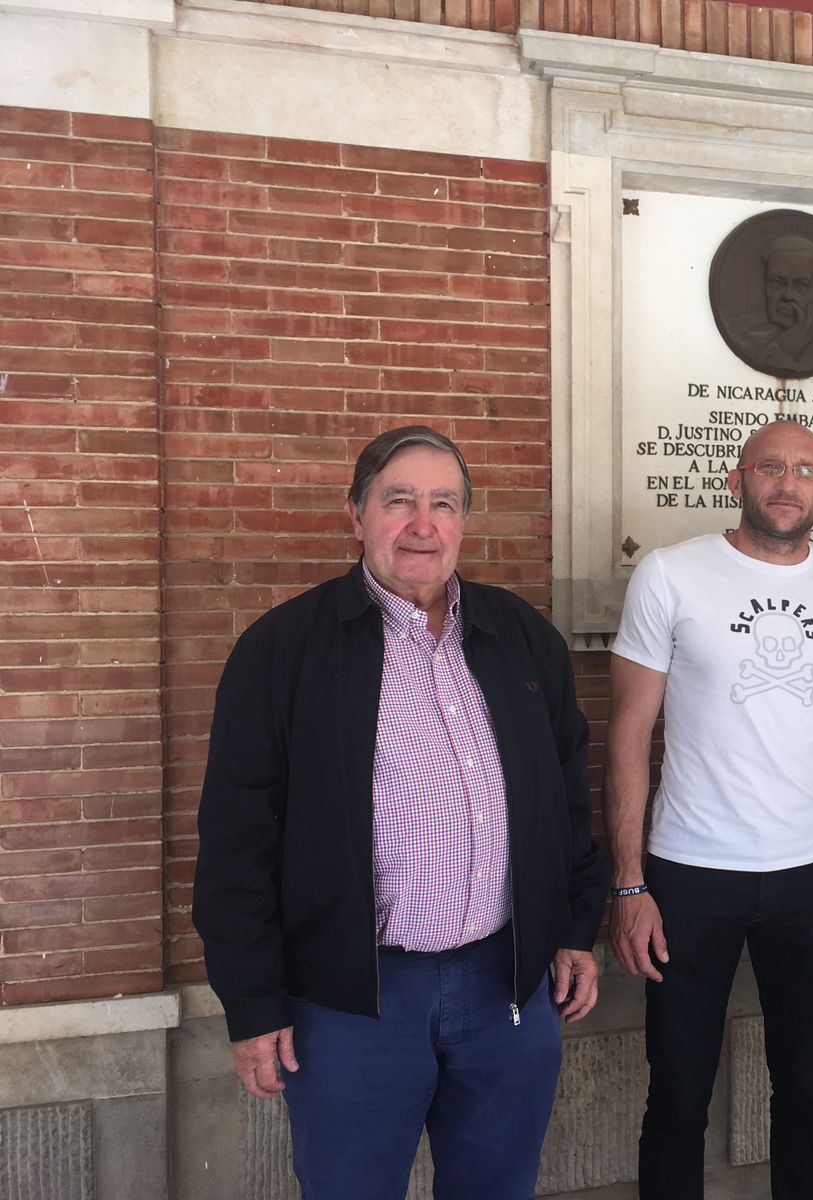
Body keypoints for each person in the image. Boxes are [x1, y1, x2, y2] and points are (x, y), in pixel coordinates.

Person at [193, 426, 608, 1200]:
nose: (424, 523)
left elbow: (565, 796)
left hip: (504, 987)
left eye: (443, 503)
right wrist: (253, 1002)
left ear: (463, 521)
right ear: (356, 514)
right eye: (400, 501)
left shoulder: (521, 638)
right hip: (352, 1002)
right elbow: (236, 844)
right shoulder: (281, 651)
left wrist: (575, 927)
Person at [606, 417, 813, 1199]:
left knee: (806, 1092)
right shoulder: (669, 574)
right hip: (692, 874)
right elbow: (627, 734)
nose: (787, 482)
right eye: (770, 466)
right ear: (737, 479)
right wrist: (629, 886)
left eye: (804, 469)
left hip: (810, 876)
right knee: (678, 1097)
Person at [725, 234, 813, 376]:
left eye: (801, 285)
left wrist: (783, 353)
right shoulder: (750, 344)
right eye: (777, 282)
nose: (787, 296)